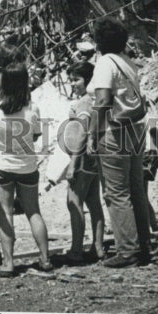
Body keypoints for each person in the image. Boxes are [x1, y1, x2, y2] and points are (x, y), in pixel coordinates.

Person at [87, 17, 152, 268]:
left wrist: (93, 133)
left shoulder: (105, 62)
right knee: (136, 190)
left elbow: (102, 100)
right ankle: (142, 245)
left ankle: (127, 250)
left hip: (114, 131)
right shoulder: (127, 62)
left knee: (116, 193)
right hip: (135, 128)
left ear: (99, 41)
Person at [0, 61, 53, 276]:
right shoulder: (33, 108)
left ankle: (9, 263)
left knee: (5, 213)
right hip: (27, 166)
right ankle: (45, 259)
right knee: (33, 212)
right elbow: (37, 135)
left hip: (2, 166)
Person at [64, 61, 105, 264]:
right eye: (71, 79)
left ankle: (76, 250)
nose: (73, 84)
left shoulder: (83, 103)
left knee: (73, 202)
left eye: (76, 79)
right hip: (94, 159)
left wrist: (72, 164)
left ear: (87, 80)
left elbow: (81, 133)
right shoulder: (94, 100)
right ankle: (98, 247)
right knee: (94, 203)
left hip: (81, 159)